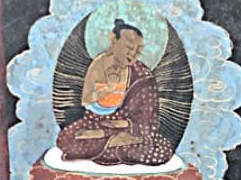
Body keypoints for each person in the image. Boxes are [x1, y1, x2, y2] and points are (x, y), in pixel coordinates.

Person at [56, 19, 174, 167]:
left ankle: (105, 143)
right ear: (113, 41)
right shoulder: (99, 65)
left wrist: (119, 126)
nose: (133, 54)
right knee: (65, 139)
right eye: (129, 47)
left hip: (126, 129)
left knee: (162, 149)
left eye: (138, 51)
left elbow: (149, 122)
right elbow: (85, 101)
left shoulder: (143, 76)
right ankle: (113, 142)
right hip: (95, 122)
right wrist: (107, 90)